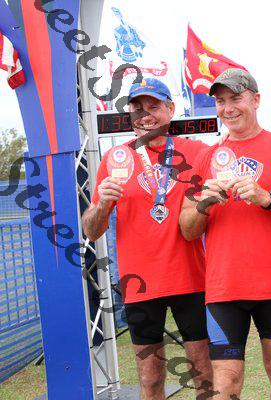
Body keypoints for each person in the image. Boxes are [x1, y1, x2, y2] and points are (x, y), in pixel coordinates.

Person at [179, 68, 271, 400]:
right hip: (224, 288)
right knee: (225, 380)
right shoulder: (206, 157)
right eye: (220, 101)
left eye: (236, 98)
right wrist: (204, 204)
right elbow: (187, 229)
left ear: (256, 100)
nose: (228, 108)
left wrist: (266, 198)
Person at [82, 78, 212, 399]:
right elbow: (91, 230)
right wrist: (102, 204)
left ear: (170, 108)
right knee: (150, 378)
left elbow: (237, 154)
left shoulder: (198, 152)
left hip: (191, 279)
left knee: (204, 373)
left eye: (153, 106)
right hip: (139, 285)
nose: (145, 115)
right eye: (137, 108)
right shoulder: (115, 158)